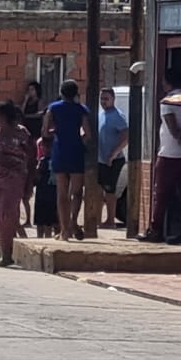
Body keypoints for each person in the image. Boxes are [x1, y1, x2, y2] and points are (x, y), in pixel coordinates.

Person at [140, 67, 181, 244]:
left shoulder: (167, 101)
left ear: (168, 82)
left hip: (169, 154)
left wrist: (180, 138)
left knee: (161, 193)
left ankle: (155, 230)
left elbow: (172, 128)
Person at [41, 79, 93, 242]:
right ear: (76, 93)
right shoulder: (82, 110)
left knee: (62, 193)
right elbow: (88, 134)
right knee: (77, 192)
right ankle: (73, 222)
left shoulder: (53, 108)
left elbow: (45, 132)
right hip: (76, 150)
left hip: (60, 150)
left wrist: (56, 131)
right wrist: (79, 140)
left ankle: (64, 231)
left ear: (61, 93)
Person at [0, 101, 32, 267]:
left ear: (4, 116)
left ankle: (7, 254)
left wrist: (30, 183)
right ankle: (5, 252)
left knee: (6, 215)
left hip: (14, 179)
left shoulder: (21, 133)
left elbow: (31, 158)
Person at [97, 87, 129, 228]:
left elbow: (126, 136)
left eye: (106, 99)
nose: (103, 101)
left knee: (110, 191)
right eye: (101, 99)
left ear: (113, 99)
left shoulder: (118, 116)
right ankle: (97, 219)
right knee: (99, 189)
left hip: (113, 160)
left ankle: (110, 221)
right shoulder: (101, 114)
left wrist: (114, 153)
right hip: (100, 159)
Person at [33, 132, 59, 238]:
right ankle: (42, 237)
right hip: (45, 193)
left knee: (47, 222)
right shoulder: (44, 160)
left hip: (48, 193)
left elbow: (37, 176)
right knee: (42, 221)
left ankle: (45, 238)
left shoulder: (45, 161)